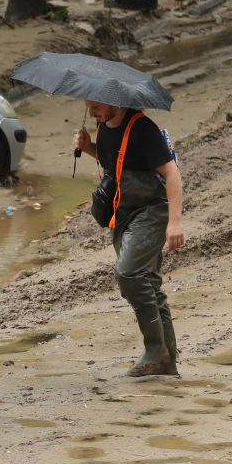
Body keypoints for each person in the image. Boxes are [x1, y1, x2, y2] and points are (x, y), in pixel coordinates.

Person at [74, 101, 185, 376]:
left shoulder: (143, 129)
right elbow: (116, 162)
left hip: (152, 210)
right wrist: (89, 147)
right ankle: (166, 363)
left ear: (114, 101)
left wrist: (175, 222)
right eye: (88, 107)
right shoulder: (104, 126)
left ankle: (154, 349)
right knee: (149, 282)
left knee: (128, 274)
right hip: (123, 212)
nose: (92, 113)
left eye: (96, 106)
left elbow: (172, 174)